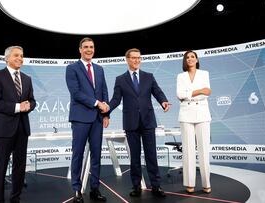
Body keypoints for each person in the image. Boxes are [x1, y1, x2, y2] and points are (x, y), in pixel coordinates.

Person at [108, 48, 170, 197]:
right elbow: (116, 99)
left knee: (151, 155)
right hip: (131, 123)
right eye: (134, 58)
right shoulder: (120, 79)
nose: (137, 60)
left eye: (139, 58)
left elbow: (157, 91)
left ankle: (156, 185)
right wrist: (107, 110)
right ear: (127, 59)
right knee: (134, 157)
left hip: (148, 121)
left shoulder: (149, 76)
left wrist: (163, 101)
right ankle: (136, 186)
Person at [0, 46, 36, 203]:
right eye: (16, 55)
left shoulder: (27, 78)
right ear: (7, 58)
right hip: (4, 129)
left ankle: (15, 198)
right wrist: (17, 107)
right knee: (1, 166)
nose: (20, 58)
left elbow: (32, 100)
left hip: (22, 128)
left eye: (22, 56)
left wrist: (29, 105)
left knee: (20, 166)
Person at [65, 37, 109, 203]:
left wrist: (106, 113)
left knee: (96, 154)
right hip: (80, 118)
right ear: (80, 49)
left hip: (98, 118)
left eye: (91, 47)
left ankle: (95, 188)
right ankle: (77, 190)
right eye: (86, 47)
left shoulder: (99, 69)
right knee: (78, 154)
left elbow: (104, 91)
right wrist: (97, 103)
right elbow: (76, 93)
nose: (89, 49)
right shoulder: (72, 68)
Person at [176, 50, 212, 194]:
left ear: (197, 59)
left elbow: (208, 92)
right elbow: (179, 95)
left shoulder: (204, 74)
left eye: (192, 57)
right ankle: (190, 183)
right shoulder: (181, 76)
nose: (190, 59)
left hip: (202, 114)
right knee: (188, 151)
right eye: (187, 57)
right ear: (185, 61)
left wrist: (189, 94)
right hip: (186, 115)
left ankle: (206, 183)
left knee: (204, 150)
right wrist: (198, 91)